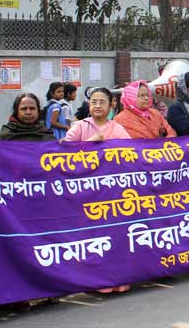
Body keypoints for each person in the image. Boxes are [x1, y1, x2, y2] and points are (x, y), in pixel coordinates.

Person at [64, 88, 131, 293]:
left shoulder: (118, 129)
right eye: (94, 102)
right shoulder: (79, 127)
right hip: (87, 194)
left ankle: (118, 281)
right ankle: (95, 281)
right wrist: (89, 145)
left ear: (111, 105)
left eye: (102, 102)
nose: (98, 106)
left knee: (115, 237)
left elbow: (131, 156)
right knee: (92, 238)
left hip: (112, 195)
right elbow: (63, 154)